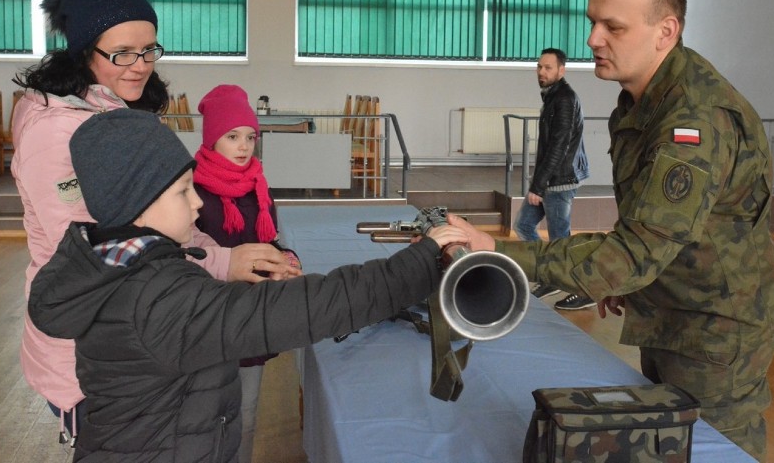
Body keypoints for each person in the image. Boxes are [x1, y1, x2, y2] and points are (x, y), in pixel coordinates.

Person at [449, 0, 774, 462]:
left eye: (613, 26)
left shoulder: (692, 120)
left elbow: (630, 256)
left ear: (665, 31)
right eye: (592, 22)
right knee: (670, 442)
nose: (592, 39)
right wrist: (639, 280)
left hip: (716, 329)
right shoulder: (641, 99)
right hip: (677, 309)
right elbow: (652, 235)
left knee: (717, 449)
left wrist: (497, 251)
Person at [27, 109, 468, 462]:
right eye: (183, 192)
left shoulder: (119, 268)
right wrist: (419, 261)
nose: (197, 202)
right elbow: (314, 306)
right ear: (138, 205)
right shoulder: (161, 300)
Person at [10, 0, 297, 445]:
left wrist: (240, 254)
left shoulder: (113, 110)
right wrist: (223, 260)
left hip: (132, 334)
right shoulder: (55, 134)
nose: (140, 65)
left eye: (149, 50)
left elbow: (166, 212)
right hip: (87, 352)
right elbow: (100, 254)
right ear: (83, 50)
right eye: (121, 52)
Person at [192, 84, 300, 463]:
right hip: (206, 319)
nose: (244, 146)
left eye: (250, 137)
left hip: (251, 318)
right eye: (232, 137)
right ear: (211, 139)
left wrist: (286, 258)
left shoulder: (259, 186)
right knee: (203, 412)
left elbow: (273, 239)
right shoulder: (191, 191)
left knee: (248, 411)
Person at [512, 48, 591, 310]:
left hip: (560, 181)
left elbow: (558, 146)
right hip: (551, 179)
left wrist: (538, 186)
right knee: (523, 225)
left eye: (548, 68)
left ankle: (581, 289)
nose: (542, 72)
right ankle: (551, 275)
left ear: (561, 70)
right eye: (539, 67)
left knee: (560, 240)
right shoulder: (553, 97)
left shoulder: (565, 99)